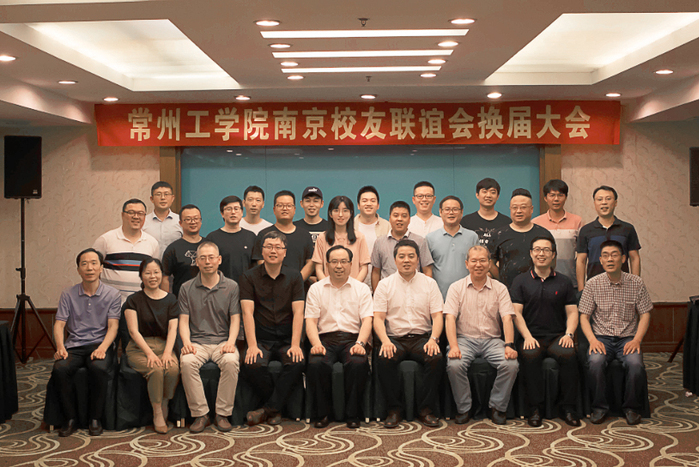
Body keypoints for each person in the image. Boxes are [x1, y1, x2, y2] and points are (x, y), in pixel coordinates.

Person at [579, 240, 652, 426]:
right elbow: (584, 317)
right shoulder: (592, 284)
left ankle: (631, 408)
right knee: (595, 363)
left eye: (614, 255)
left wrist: (637, 340)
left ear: (623, 258)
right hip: (601, 338)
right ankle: (599, 407)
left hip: (627, 339)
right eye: (605, 255)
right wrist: (592, 340)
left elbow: (645, 314)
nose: (610, 259)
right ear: (601, 260)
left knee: (636, 365)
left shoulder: (636, 283)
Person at [510, 237, 581, 427]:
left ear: (553, 255)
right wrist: (527, 337)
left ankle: (568, 408)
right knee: (530, 355)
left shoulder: (564, 281)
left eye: (546, 250)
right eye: (537, 250)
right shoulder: (520, 281)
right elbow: (516, 313)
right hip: (531, 336)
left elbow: (572, 312)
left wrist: (569, 334)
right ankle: (535, 409)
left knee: (569, 354)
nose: (541, 254)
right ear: (531, 253)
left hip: (557, 336)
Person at [444, 245, 518, 426]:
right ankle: (464, 408)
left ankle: (497, 407)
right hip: (464, 340)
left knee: (511, 365)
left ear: (489, 263)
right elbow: (449, 318)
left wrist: (509, 345)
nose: (478, 265)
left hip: (492, 340)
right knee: (454, 365)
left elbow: (507, 318)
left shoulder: (500, 288)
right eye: (474, 261)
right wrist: (453, 346)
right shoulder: (456, 288)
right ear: (466, 264)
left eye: (483, 260)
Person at [373, 239, 444, 428]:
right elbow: (378, 318)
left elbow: (437, 316)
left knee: (436, 358)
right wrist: (385, 341)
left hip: (422, 338)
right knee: (384, 358)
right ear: (394, 259)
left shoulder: (429, 284)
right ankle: (394, 409)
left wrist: (433, 339)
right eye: (402, 256)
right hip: (394, 339)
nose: (406, 260)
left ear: (418, 259)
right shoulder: (384, 285)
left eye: (411, 256)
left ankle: (425, 410)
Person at [51, 248, 121, 437]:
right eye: (84, 264)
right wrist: (60, 347)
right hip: (74, 345)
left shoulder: (113, 294)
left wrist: (103, 348)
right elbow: (59, 324)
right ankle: (70, 418)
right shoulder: (68, 294)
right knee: (60, 369)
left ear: (101, 268)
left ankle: (95, 419)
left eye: (94, 263)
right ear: (78, 270)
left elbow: (113, 326)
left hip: (100, 344)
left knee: (99, 368)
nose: (89, 268)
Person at [241, 231, 306, 426]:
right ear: (262, 251)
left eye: (278, 247)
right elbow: (247, 313)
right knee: (252, 363)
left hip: (287, 339)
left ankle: (267, 410)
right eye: (268, 247)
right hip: (261, 339)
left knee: (297, 362)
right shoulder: (248, 277)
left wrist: (295, 344)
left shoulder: (294, 277)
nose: (273, 251)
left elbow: (299, 312)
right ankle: (276, 409)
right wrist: (252, 345)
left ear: (285, 252)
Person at [305, 245, 373, 429]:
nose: (339, 266)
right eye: (334, 262)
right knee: (316, 363)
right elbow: (310, 321)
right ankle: (323, 414)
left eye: (343, 261)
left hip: (352, 339)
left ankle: (353, 414)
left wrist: (360, 343)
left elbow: (367, 320)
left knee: (358, 363)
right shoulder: (316, 289)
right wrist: (316, 344)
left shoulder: (361, 289)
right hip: (325, 339)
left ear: (351, 264)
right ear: (327, 265)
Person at [178, 242, 241, 433]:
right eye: (203, 258)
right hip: (197, 343)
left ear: (219, 260)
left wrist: (231, 342)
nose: (207, 262)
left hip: (223, 342)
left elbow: (235, 319)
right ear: (196, 261)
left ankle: (222, 414)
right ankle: (201, 414)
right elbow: (183, 321)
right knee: (187, 362)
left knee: (231, 361)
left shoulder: (232, 286)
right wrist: (186, 343)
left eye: (211, 257)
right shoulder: (186, 288)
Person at [123, 257, 180, 433]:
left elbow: (173, 329)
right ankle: (157, 412)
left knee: (172, 369)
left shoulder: (171, 299)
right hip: (139, 347)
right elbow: (133, 331)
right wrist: (149, 353)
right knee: (155, 369)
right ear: (141, 276)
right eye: (148, 273)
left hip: (164, 345)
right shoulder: (133, 300)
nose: (152, 276)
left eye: (156, 272)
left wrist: (168, 352)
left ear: (162, 274)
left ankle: (165, 404)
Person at [93, 198, 159, 303]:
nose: (136, 217)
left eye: (140, 213)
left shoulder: (152, 243)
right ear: (122, 215)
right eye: (131, 212)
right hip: (109, 303)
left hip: (141, 304)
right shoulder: (105, 240)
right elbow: (93, 269)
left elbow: (155, 274)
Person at [576, 186, 641, 291]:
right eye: (600, 199)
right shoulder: (586, 230)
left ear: (615, 203)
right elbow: (581, 261)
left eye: (608, 199)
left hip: (623, 286)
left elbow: (634, 258)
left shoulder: (627, 228)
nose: (604, 202)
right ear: (594, 203)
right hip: (594, 287)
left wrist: (636, 286)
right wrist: (581, 289)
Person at [489, 189, 554, 289]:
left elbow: (552, 261)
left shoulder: (543, 234)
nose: (518, 211)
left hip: (539, 289)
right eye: (514, 207)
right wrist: (502, 281)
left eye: (523, 207)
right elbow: (490, 263)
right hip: (507, 291)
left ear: (531, 209)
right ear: (510, 209)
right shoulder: (499, 235)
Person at [252, 190, 315, 280]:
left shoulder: (305, 235)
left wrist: (297, 282)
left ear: (294, 209)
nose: (285, 209)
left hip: (299, 285)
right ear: (274, 210)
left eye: (288, 205)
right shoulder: (264, 234)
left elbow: (310, 262)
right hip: (270, 284)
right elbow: (260, 262)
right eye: (280, 205)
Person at [371, 201, 433, 292]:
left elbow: (427, 270)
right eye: (396, 215)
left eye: (404, 216)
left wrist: (426, 291)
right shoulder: (380, 242)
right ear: (389, 218)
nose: (399, 219)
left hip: (415, 292)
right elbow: (376, 272)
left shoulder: (420, 241)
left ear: (409, 220)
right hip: (388, 292)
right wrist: (378, 294)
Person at [532, 179, 583, 288]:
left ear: (566, 197)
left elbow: (581, 256)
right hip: (542, 281)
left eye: (560, 195)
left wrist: (581, 285)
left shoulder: (577, 221)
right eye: (552, 195)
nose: (556, 199)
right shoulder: (536, 223)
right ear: (545, 198)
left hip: (570, 280)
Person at [426, 195, 479, 298]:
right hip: (440, 296)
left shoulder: (472, 237)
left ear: (461, 212)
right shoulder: (430, 238)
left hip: (468, 295)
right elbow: (427, 270)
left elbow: (478, 266)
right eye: (447, 209)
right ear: (440, 212)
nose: (451, 213)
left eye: (455, 209)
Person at [312, 196, 371, 282]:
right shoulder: (322, 238)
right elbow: (319, 268)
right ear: (330, 214)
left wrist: (354, 287)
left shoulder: (359, 237)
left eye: (345, 210)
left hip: (353, 287)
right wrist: (327, 286)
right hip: (328, 288)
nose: (340, 215)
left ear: (351, 213)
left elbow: (364, 268)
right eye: (336, 210)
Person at [206, 195, 256, 284]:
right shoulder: (212, 238)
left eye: (236, 209)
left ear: (242, 212)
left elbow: (256, 267)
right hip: (220, 288)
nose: (233, 212)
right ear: (222, 213)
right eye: (228, 209)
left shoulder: (251, 237)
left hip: (247, 288)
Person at [161, 204, 204, 296]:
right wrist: (167, 301)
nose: (193, 222)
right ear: (180, 223)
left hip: (208, 298)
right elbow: (165, 278)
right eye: (188, 219)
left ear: (201, 221)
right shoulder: (173, 249)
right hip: (182, 299)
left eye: (196, 218)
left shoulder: (209, 245)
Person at [460, 178, 512, 248]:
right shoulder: (466, 221)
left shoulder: (507, 222)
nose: (488, 195)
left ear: (497, 196)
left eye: (493, 192)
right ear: (477, 195)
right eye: (484, 191)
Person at [354, 186, 390, 287]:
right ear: (358, 205)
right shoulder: (350, 225)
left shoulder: (387, 226)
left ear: (378, 205)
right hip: (355, 283)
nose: (369, 204)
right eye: (364, 201)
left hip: (381, 284)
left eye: (372, 201)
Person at [143, 181, 182, 259]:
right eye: (158, 194)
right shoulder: (143, 221)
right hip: (150, 264)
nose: (163, 198)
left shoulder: (180, 220)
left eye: (166, 194)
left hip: (175, 265)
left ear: (172, 198)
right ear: (152, 199)